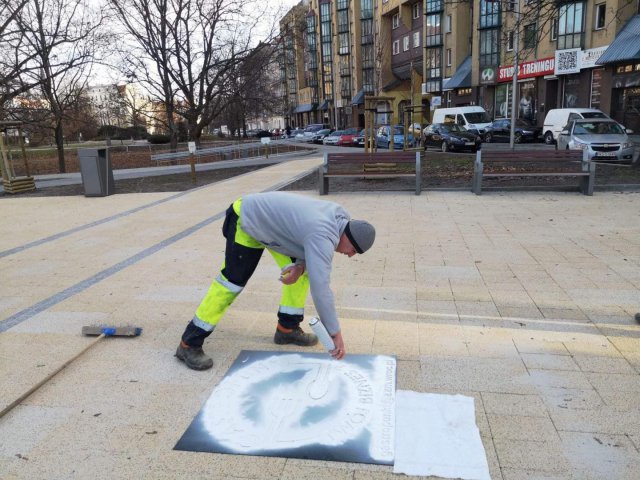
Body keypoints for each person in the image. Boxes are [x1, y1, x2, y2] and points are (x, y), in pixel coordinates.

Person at [176, 192, 376, 370]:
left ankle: (287, 329)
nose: (350, 255)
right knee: (231, 283)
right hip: (247, 219)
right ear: (348, 238)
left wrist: (299, 265)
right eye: (353, 251)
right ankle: (189, 343)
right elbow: (321, 288)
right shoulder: (323, 235)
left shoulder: (342, 220)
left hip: (271, 226)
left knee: (302, 274)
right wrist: (334, 333)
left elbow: (305, 238)